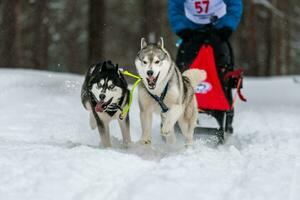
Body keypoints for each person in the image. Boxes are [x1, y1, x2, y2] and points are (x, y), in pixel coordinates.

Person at [168, 0, 243, 133]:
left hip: (219, 26)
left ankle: (225, 111)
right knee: (185, 69)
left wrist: (227, 26)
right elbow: (175, 6)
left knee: (222, 70)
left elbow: (235, 4)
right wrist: (181, 28)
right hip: (190, 28)